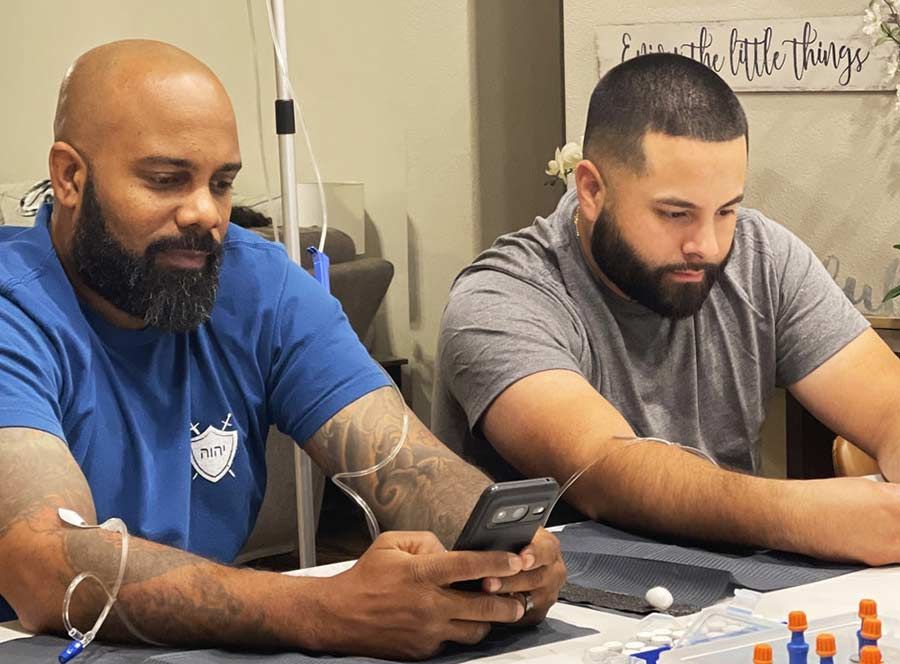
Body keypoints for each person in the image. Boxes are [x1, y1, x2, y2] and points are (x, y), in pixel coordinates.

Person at [0, 40, 564, 659]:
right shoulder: (15, 308)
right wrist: (323, 610)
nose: (205, 214)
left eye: (221, 184)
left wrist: (508, 550)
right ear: (70, 176)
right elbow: (45, 564)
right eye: (166, 180)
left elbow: (403, 462)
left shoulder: (256, 283)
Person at [433, 52, 900, 566]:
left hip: (734, 595)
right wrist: (802, 514)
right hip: (552, 611)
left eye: (726, 210)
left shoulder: (761, 257)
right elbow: (603, 469)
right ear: (591, 189)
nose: (707, 244)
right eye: (676, 214)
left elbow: (888, 406)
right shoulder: (500, 298)